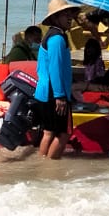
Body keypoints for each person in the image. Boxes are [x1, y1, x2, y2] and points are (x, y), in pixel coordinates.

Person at [32, 24, 73, 159]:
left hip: (44, 92)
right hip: (52, 93)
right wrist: (60, 95)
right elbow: (55, 68)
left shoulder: (50, 35)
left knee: (48, 132)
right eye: (65, 14)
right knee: (63, 134)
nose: (69, 17)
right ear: (56, 18)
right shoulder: (57, 39)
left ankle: (43, 164)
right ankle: (51, 169)